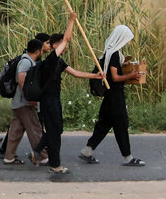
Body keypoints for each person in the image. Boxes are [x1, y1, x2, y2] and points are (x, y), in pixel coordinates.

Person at [35, 19, 98, 178]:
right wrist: (70, 20)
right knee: (54, 133)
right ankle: (55, 166)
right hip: (48, 101)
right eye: (61, 44)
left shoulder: (59, 61)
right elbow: (67, 39)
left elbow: (75, 73)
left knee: (57, 129)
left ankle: (37, 152)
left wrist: (95, 76)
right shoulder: (51, 60)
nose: (66, 46)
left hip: (54, 101)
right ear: (56, 45)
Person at [79, 25, 147, 167]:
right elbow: (115, 77)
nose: (127, 42)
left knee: (104, 124)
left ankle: (87, 150)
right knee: (121, 124)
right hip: (115, 96)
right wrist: (132, 75)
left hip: (109, 95)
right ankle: (128, 157)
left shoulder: (108, 53)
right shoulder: (114, 54)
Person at [3, 39, 47, 166]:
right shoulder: (26, 62)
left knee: (15, 131)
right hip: (25, 103)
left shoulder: (26, 60)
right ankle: (43, 157)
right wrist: (31, 99)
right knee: (35, 130)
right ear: (38, 51)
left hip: (19, 102)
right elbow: (22, 80)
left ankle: (9, 157)